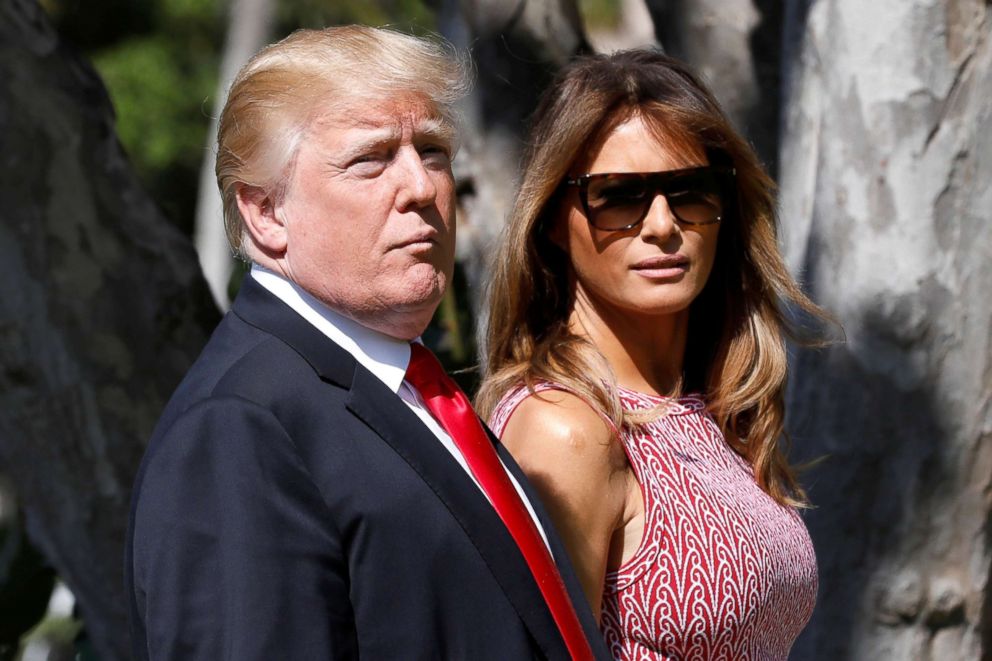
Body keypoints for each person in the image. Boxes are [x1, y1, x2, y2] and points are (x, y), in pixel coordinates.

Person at [125, 26, 610, 660]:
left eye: (433, 150)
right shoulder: (239, 426)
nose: (422, 187)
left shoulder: (414, 392)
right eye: (371, 159)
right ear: (266, 213)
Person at [476, 49, 825, 660]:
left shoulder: (710, 408)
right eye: (618, 197)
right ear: (555, 220)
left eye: (690, 191)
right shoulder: (566, 428)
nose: (662, 225)